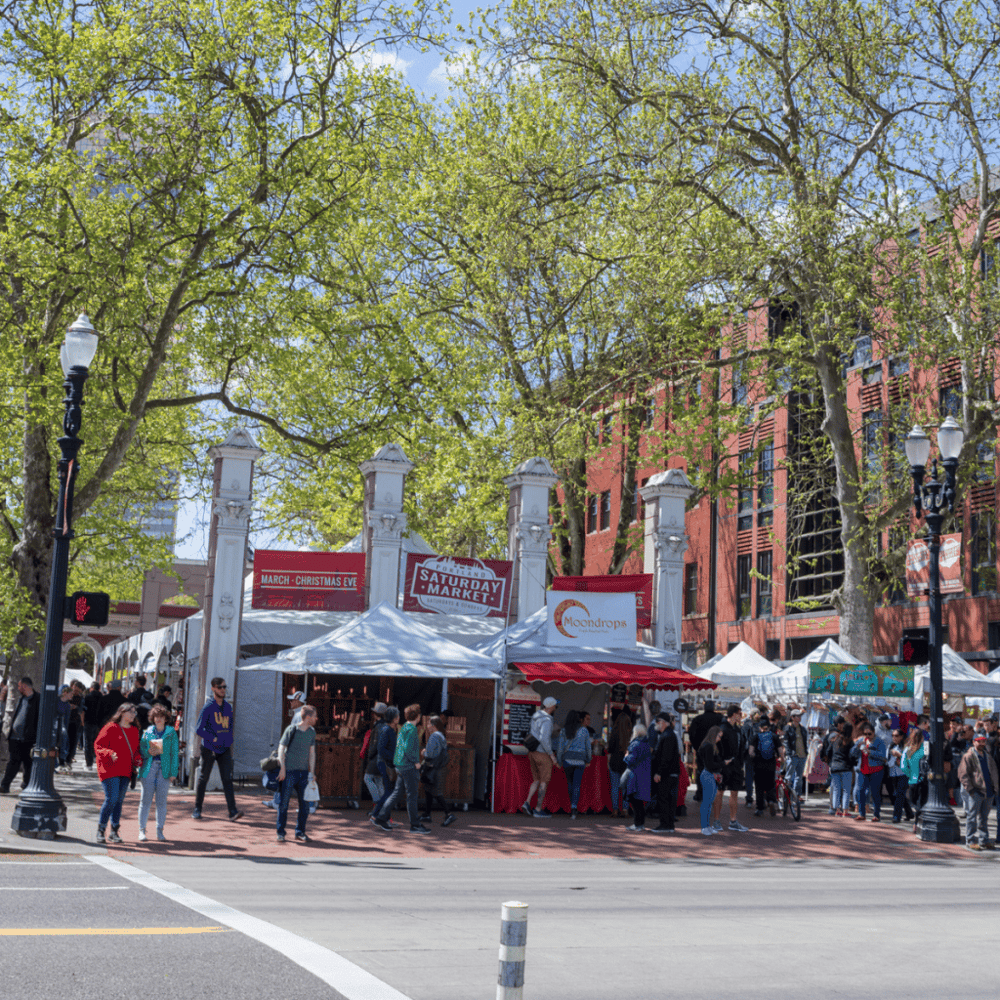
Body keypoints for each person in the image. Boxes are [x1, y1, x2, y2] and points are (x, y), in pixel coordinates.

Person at [192, 677, 243, 822]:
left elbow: (230, 727)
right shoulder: (208, 707)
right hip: (209, 748)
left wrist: (229, 742)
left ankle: (232, 811)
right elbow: (198, 729)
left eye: (224, 687)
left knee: (227, 779)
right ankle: (197, 808)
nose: (223, 689)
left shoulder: (228, 707)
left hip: (224, 749)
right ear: (213, 688)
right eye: (220, 687)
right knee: (204, 778)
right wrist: (212, 738)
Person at [375, 703, 428, 834]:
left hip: (400, 766)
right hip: (409, 767)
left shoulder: (404, 727)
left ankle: (381, 817)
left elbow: (401, 747)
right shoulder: (412, 729)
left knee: (396, 794)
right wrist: (416, 762)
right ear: (418, 716)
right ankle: (415, 825)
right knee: (412, 796)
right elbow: (409, 749)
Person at [94, 703, 142, 843]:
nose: (133, 714)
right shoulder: (110, 727)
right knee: (112, 798)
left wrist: (138, 760)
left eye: (135, 712)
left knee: (119, 801)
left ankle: (114, 831)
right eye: (131, 711)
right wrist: (109, 753)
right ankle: (101, 829)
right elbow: (98, 746)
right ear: (122, 712)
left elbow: (135, 750)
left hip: (125, 770)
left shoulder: (134, 730)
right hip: (109, 768)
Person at [276, 704, 318, 843]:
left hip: (304, 774)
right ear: (307, 717)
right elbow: (281, 749)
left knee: (305, 806)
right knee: (284, 804)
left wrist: (312, 772)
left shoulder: (312, 732)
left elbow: (312, 754)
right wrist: (282, 768)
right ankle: (280, 832)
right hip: (289, 772)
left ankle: (300, 832)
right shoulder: (291, 729)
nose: (316, 718)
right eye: (314, 716)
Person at [138, 703, 179, 842]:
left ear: (166, 718)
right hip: (149, 768)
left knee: (161, 801)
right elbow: (142, 749)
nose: (159, 719)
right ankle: (142, 830)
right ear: (153, 718)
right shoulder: (147, 731)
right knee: (145, 800)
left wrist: (174, 772)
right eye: (156, 717)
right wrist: (147, 751)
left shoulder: (171, 732)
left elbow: (174, 753)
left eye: (161, 717)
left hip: (164, 769)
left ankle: (159, 830)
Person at [957, 731, 998, 852]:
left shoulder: (987, 755)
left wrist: (995, 788)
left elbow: (994, 772)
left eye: (983, 741)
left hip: (989, 791)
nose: (981, 743)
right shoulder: (968, 756)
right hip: (976, 791)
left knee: (984, 818)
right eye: (979, 741)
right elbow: (963, 774)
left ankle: (984, 840)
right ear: (974, 742)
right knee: (972, 817)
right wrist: (970, 789)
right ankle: (970, 840)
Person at [520, 696, 559, 819]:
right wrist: (552, 755)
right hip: (542, 754)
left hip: (532, 752)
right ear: (551, 707)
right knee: (544, 781)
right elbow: (544, 739)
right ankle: (538, 809)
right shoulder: (547, 720)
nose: (555, 707)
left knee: (536, 780)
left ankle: (527, 802)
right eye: (555, 705)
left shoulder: (536, 715)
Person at [2, 676, 40, 793]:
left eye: (19, 686)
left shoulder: (38, 699)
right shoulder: (21, 698)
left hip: (27, 738)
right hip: (15, 737)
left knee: (27, 763)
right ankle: (5, 785)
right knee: (13, 762)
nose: (18, 688)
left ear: (24, 686)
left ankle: (26, 784)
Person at [419, 715, 455, 827]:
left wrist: (423, 752)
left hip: (433, 768)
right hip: (438, 768)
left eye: (429, 724)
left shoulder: (434, 736)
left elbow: (430, 754)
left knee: (435, 792)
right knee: (429, 789)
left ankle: (449, 814)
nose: (428, 726)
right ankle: (427, 814)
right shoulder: (441, 735)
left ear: (434, 726)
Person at [556, 709, 593, 819]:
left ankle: (572, 805)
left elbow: (560, 748)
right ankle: (574, 807)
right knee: (577, 784)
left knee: (570, 783)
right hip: (580, 761)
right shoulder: (584, 730)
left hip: (567, 760)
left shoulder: (563, 731)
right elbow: (588, 748)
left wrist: (559, 761)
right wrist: (588, 760)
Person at [719, 705, 749, 832]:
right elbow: (716, 747)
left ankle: (733, 821)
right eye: (739, 713)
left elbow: (742, 747)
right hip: (724, 766)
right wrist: (721, 762)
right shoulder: (722, 728)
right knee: (719, 792)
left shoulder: (738, 730)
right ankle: (716, 820)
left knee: (734, 792)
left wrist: (741, 762)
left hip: (736, 766)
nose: (741, 715)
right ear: (733, 714)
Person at [650, 712, 680, 833]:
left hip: (667, 774)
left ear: (663, 722)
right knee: (668, 799)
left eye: (658, 721)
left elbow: (665, 757)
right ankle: (668, 824)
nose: (656, 724)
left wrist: (659, 773)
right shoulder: (667, 735)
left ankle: (665, 824)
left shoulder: (667, 736)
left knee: (664, 799)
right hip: (669, 773)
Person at [850, 723, 887, 822]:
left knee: (875, 793)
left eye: (869, 734)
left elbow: (884, 756)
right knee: (860, 791)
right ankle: (862, 814)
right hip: (862, 770)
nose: (867, 736)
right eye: (865, 734)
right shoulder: (861, 740)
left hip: (876, 770)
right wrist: (857, 746)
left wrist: (871, 752)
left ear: (873, 732)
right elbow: (852, 753)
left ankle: (876, 814)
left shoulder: (879, 742)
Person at [688, 699, 723, 802]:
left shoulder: (698, 719)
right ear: (713, 707)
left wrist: (696, 747)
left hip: (701, 750)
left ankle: (700, 793)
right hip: (716, 750)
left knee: (701, 771)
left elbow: (691, 735)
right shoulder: (720, 719)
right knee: (715, 771)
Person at [371, 706, 399, 824]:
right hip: (385, 763)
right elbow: (381, 749)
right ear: (393, 718)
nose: (398, 718)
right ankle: (377, 814)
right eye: (397, 716)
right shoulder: (387, 730)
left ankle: (382, 816)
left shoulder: (390, 729)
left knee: (390, 791)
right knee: (389, 791)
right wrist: (394, 758)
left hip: (386, 763)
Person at [622, 722, 652, 832]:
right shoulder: (646, 744)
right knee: (639, 802)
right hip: (644, 775)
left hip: (635, 775)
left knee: (634, 801)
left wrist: (625, 756)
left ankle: (637, 824)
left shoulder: (635, 744)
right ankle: (641, 824)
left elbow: (631, 759)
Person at [748, 716, 781, 816]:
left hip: (758, 764)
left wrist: (754, 756)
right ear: (769, 727)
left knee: (759, 786)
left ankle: (760, 808)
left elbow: (750, 752)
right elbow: (780, 751)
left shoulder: (756, 737)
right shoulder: (774, 736)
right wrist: (781, 758)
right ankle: (771, 801)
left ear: (760, 727)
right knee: (770, 784)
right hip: (771, 763)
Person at [822, 718, 853, 817]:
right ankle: (845, 810)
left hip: (835, 767)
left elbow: (827, 752)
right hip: (846, 768)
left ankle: (837, 809)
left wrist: (831, 762)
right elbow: (852, 756)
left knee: (836, 789)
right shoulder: (849, 742)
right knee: (846, 790)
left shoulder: (835, 739)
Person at [697, 726, 724, 836]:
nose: (719, 739)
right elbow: (710, 764)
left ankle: (706, 825)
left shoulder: (707, 745)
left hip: (708, 774)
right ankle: (704, 826)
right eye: (719, 736)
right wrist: (722, 764)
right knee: (707, 802)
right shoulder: (709, 746)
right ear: (714, 735)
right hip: (709, 774)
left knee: (708, 802)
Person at [362, 703, 389, 812]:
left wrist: (370, 755)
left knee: (367, 778)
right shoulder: (386, 726)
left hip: (376, 758)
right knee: (378, 781)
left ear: (376, 714)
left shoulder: (378, 726)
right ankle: (383, 807)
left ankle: (377, 802)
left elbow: (374, 745)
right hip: (384, 758)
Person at [901, 727, 928, 832]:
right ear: (922, 738)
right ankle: (917, 823)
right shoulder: (925, 747)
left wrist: (909, 774)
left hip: (913, 779)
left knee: (914, 801)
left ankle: (917, 823)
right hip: (924, 779)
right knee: (921, 802)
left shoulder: (908, 749)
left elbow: (903, 766)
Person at [607, 708, 633, 818]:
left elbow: (610, 749)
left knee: (614, 787)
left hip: (614, 761)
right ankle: (625, 810)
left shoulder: (614, 733)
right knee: (626, 788)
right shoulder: (631, 736)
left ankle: (615, 810)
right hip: (626, 763)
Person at [885, 728, 915, 824]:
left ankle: (896, 816)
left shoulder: (907, 746)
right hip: (893, 773)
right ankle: (909, 813)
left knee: (899, 794)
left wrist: (899, 754)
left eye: (896, 736)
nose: (894, 737)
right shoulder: (891, 746)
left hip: (904, 773)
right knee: (898, 794)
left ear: (902, 736)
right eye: (893, 735)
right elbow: (887, 759)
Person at [782, 709, 808, 798]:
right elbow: (785, 741)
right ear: (792, 717)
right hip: (793, 755)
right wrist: (789, 753)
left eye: (800, 716)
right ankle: (785, 795)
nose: (800, 717)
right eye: (797, 716)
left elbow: (805, 742)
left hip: (802, 755)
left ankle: (797, 795)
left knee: (799, 778)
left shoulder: (803, 728)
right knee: (788, 776)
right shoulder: (788, 728)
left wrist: (806, 752)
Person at [741, 709, 761, 809]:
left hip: (749, 755)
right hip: (760, 755)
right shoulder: (761, 725)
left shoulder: (745, 725)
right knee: (759, 777)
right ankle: (761, 799)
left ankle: (749, 798)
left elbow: (743, 740)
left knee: (749, 777)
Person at [82, 680, 102, 769]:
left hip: (88, 722)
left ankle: (89, 764)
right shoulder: (102, 698)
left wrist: (82, 722)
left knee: (88, 743)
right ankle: (97, 760)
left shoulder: (87, 697)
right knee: (97, 743)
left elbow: (83, 710)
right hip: (98, 723)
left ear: (92, 688)